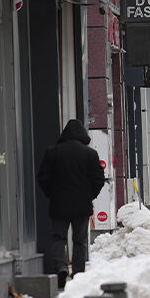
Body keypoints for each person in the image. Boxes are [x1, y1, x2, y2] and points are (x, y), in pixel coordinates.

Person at [36, 119, 105, 289]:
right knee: (79, 239)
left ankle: (60, 267)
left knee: (58, 237)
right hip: (82, 204)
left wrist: (51, 194)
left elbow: (43, 177)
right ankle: (78, 272)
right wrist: (90, 195)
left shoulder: (52, 152)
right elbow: (99, 180)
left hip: (59, 204)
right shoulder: (90, 154)